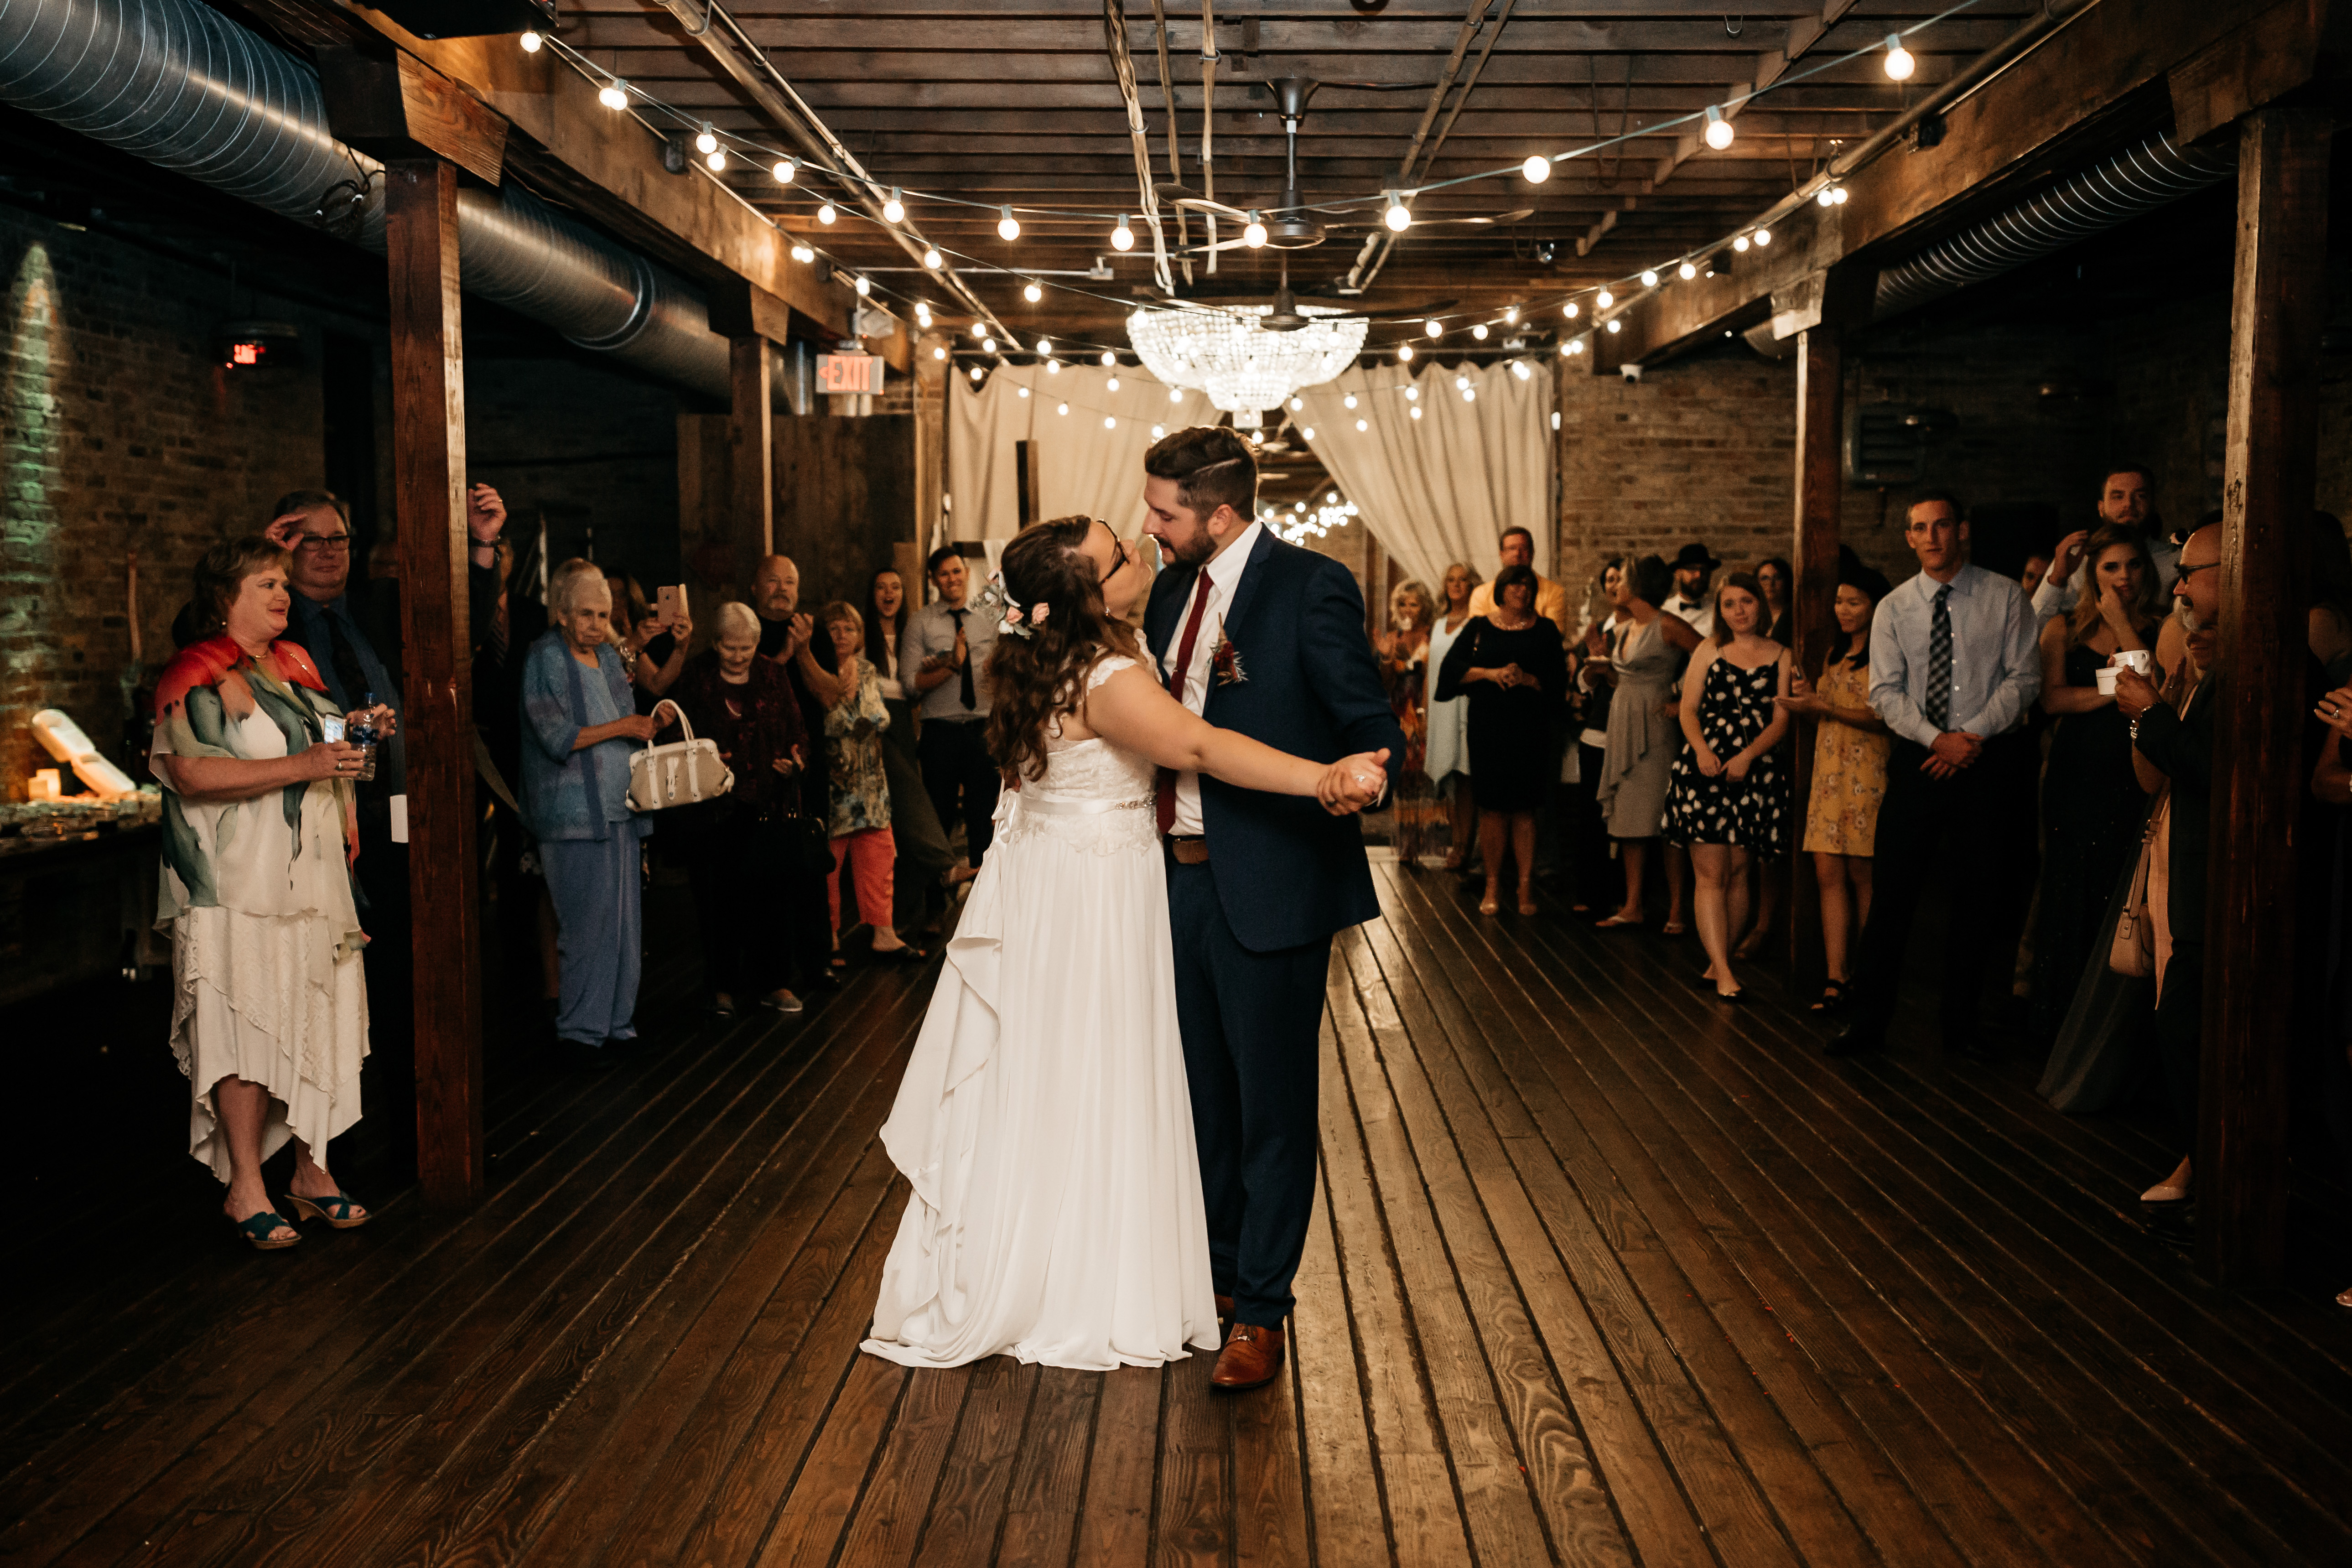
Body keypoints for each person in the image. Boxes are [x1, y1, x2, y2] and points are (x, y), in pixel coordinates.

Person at [862, 513, 1391, 1374]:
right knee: (1099, 1069)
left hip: (1059, 885)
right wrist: (1322, 776)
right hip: (1097, 891)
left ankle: (1065, 1249)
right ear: (1088, 594)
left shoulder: (1045, 659)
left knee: (1060, 1075)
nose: (1139, 549)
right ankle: (1088, 1275)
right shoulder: (1103, 675)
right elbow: (1200, 746)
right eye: (1118, 553)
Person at [1143, 425, 1408, 1390]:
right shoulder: (1168, 591)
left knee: (1271, 1111)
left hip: (1270, 884)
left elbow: (1369, 723)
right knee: (1201, 1100)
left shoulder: (1309, 585)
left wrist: (1365, 774)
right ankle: (1215, 1280)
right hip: (1173, 880)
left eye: (1164, 513)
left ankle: (1261, 1310)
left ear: (1218, 515)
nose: (1150, 526)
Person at [264, 483, 504, 1176]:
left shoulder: (374, 606)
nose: (328, 552)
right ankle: (324, 1158)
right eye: (310, 540)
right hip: (314, 840)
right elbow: (198, 624)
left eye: (338, 539)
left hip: (396, 828)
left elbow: (457, 620)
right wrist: (263, 557)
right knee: (326, 995)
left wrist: (482, 545)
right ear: (284, 546)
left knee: (405, 989)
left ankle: (414, 1144)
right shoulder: (270, 618)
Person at [153, 536, 383, 1248]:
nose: (284, 594)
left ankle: (314, 1170)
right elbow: (189, 773)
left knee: (317, 1017)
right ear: (226, 597)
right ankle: (247, 1186)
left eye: (284, 583)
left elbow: (316, 748)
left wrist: (355, 733)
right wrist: (305, 764)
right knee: (245, 1027)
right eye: (267, 584)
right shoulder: (195, 671)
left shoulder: (295, 664)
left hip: (310, 880)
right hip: (234, 887)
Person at [1829, 493, 2041, 1059]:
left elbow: (2024, 680)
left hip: (1987, 760)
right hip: (1918, 760)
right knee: (1893, 896)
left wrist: (1968, 736)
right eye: (1920, 529)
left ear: (1961, 531)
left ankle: (1961, 1028)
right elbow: (1885, 692)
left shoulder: (2005, 596)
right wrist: (1936, 739)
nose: (1932, 537)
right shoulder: (1894, 608)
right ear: (1909, 538)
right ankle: (1867, 1024)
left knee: (1977, 898)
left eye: (1942, 525)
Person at [520, 559, 676, 1064]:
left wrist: (651, 721)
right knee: (586, 925)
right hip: (570, 813)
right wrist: (626, 727)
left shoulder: (609, 657)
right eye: (585, 614)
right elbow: (556, 737)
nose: (595, 624)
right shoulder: (543, 657)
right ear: (562, 614)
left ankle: (616, 1025)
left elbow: (625, 722)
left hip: (619, 806)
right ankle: (580, 1031)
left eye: (603, 615)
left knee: (625, 926)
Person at [2115, 523, 2221, 1211]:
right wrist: (2149, 713)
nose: (2177, 587)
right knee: (2179, 1024)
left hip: (2223, 882)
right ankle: (2206, 1167)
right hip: (2187, 867)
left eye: (2190, 573)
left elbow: (2215, 769)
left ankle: (2218, 1177)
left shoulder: (2259, 666)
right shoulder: (2202, 665)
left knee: (2189, 1027)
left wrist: (2153, 711)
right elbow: (2155, 773)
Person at [2026, 525, 2163, 1044]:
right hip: (2076, 770)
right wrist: (2115, 692)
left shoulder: (2160, 626)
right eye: (2111, 567)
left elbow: (2155, 687)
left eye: (2133, 565)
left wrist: (2122, 625)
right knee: (2069, 886)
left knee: (2124, 885)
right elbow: (2052, 699)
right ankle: (2058, 1022)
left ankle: (2116, 1032)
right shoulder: (2062, 627)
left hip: (2133, 768)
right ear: (2092, 573)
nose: (2124, 576)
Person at [669, 601, 810, 1016]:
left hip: (767, 805)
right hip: (712, 810)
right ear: (715, 643)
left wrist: (795, 760)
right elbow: (677, 734)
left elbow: (797, 730)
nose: (738, 656)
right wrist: (707, 757)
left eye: (746, 648)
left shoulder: (773, 674)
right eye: (729, 648)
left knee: (771, 899)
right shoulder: (696, 675)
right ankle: (722, 989)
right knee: (718, 901)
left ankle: (774, 983)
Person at [1661, 573, 1793, 1001]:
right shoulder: (1708, 649)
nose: (1739, 611)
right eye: (1729, 604)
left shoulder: (1782, 655)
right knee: (1710, 874)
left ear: (1760, 604)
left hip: (1756, 768)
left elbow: (1781, 720)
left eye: (1746, 601)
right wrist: (1702, 752)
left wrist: (1748, 756)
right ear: (1720, 611)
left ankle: (1718, 963)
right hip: (1706, 768)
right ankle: (1723, 973)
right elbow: (1688, 709)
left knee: (1739, 874)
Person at [1777, 551, 1893, 1012]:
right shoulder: (1834, 654)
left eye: (1854, 602)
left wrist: (1822, 706)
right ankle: (1835, 976)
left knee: (1863, 875)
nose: (1843, 610)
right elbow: (1825, 712)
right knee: (1827, 874)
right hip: (1829, 774)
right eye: (1839, 602)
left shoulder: (1886, 657)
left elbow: (1884, 719)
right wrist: (1808, 700)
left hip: (1867, 772)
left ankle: (1869, 974)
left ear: (1875, 606)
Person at [1436, 563, 1568, 915]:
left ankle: (1525, 886)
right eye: (1514, 585)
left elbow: (1557, 682)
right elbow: (1451, 670)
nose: (1521, 591)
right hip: (1489, 726)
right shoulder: (1479, 627)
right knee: (1492, 808)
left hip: (1530, 727)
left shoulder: (1545, 629)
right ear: (1501, 590)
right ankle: (1492, 883)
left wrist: (1528, 679)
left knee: (1525, 809)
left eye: (1527, 585)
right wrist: (1491, 673)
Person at [1593, 555, 1703, 931]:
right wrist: (1601, 669)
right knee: (1628, 816)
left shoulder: (1668, 625)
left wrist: (1682, 699)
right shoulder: (1624, 627)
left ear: (1638, 585)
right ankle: (1632, 905)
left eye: (1622, 579)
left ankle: (1677, 909)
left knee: (1663, 817)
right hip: (1622, 723)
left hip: (1655, 728)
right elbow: (1621, 678)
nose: (1615, 585)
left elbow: (1708, 655)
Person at [751, 555, 845, 993]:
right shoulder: (745, 630)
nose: (781, 589)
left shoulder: (813, 633)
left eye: (789, 582)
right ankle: (769, 970)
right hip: (756, 767)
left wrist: (803, 651)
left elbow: (829, 696)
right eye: (772, 581)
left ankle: (816, 961)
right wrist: (783, 655)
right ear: (755, 588)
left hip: (808, 766)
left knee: (811, 863)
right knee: (764, 870)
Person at [820, 601, 921, 961]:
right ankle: (829, 936)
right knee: (828, 865)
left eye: (848, 628)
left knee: (879, 859)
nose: (841, 635)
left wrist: (857, 722)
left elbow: (880, 716)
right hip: (834, 782)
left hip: (870, 782)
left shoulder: (866, 670)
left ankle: (884, 933)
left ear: (859, 634)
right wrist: (860, 723)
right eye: (833, 628)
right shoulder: (817, 670)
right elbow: (830, 723)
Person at [866, 566, 964, 930]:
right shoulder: (861, 634)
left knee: (904, 807)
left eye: (895, 587)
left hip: (904, 719)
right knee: (906, 797)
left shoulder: (913, 633)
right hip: (871, 719)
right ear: (872, 594)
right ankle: (944, 866)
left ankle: (905, 909)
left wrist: (938, 667)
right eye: (881, 587)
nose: (889, 594)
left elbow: (915, 687)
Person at [902, 545, 1002, 871]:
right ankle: (935, 897)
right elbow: (910, 684)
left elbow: (1008, 668)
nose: (952, 579)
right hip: (940, 734)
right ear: (933, 580)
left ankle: (983, 892)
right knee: (937, 819)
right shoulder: (921, 623)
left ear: (967, 573)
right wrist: (951, 666)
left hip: (985, 730)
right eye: (943, 574)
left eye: (957, 571)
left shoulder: (991, 616)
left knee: (984, 818)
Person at [2033, 465, 2178, 626]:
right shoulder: (2077, 558)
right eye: (2118, 497)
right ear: (2101, 508)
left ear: (2153, 505)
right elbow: (2032, 630)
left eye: (2140, 496)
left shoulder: (2175, 561)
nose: (2129, 504)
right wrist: (2058, 579)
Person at [1377, 580, 1441, 862]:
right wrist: (1387, 659)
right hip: (1399, 712)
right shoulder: (1393, 637)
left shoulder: (1435, 634)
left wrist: (1425, 713)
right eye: (1402, 604)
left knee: (1426, 777)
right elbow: (1385, 683)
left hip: (1426, 709)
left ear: (1424, 607)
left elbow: (1435, 675)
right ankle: (1407, 843)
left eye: (1413, 604)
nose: (1407, 609)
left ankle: (1429, 841)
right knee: (1403, 777)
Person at [1425, 561, 1480, 871]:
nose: (1456, 585)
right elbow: (1430, 673)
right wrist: (1425, 711)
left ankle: (1464, 848)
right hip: (1439, 707)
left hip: (1464, 705)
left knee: (1464, 776)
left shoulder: (1477, 623)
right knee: (1446, 777)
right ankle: (1455, 843)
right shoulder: (1437, 624)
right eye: (1451, 580)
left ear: (1472, 585)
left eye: (1463, 580)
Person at [606, 568, 691, 712]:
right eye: (609, 594)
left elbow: (656, 685)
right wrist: (633, 643)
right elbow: (601, 668)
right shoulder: (592, 637)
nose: (615, 600)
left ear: (629, 600)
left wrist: (681, 648)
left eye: (621, 595)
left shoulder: (625, 637)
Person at [1466, 524, 1570, 635]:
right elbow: (1476, 634)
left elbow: (1553, 635)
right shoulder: (1481, 594)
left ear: (1532, 553)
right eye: (1512, 548)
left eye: (1523, 548)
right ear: (1502, 555)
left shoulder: (1554, 592)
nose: (1517, 554)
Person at [1661, 542, 1721, 638]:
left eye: (1704, 570)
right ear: (1678, 574)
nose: (1699, 575)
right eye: (1692, 569)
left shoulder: (1718, 611)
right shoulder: (1664, 610)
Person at [1756, 556, 1794, 646]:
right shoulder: (1754, 616)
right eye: (1765, 578)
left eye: (1777, 578)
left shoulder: (1793, 616)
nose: (1771, 583)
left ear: (1786, 582)